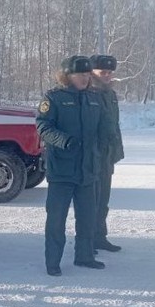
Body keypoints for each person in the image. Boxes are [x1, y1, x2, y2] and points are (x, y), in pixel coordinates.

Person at [36, 55, 109, 276]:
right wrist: (64, 140)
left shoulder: (94, 98)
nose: (86, 79)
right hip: (62, 170)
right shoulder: (54, 98)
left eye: (88, 75)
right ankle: (53, 262)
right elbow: (43, 126)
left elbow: (103, 127)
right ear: (68, 76)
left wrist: (104, 144)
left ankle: (84, 256)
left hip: (88, 170)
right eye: (81, 75)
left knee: (87, 217)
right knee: (57, 219)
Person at [89, 54, 125, 252]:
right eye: (103, 72)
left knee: (103, 200)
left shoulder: (109, 94)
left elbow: (114, 126)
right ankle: (87, 240)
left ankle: (100, 237)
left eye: (110, 73)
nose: (107, 76)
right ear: (92, 72)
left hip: (107, 156)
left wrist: (116, 152)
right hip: (92, 155)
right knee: (91, 202)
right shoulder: (88, 93)